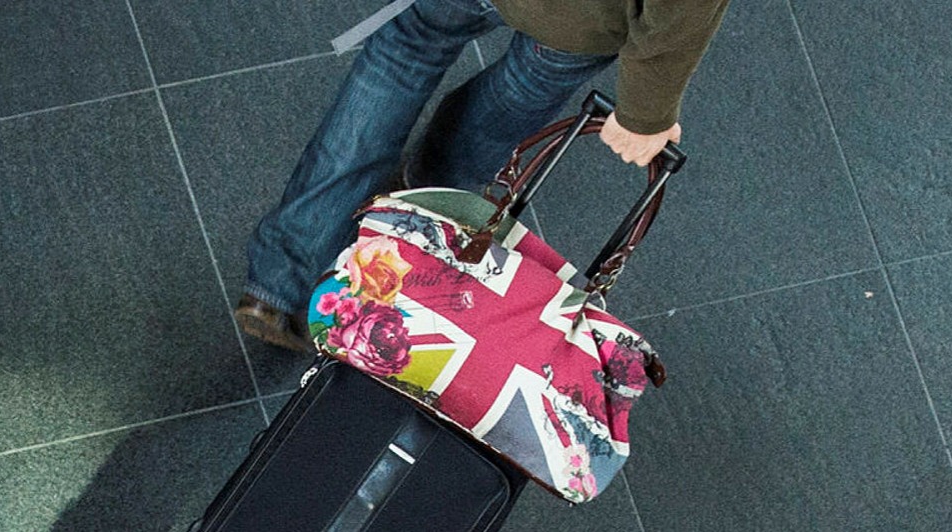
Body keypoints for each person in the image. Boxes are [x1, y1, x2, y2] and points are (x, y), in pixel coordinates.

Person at [237, 0, 732, 352]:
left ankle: (282, 283)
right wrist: (645, 115)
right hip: (578, 18)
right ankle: (418, 202)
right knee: (509, 99)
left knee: (403, 55)